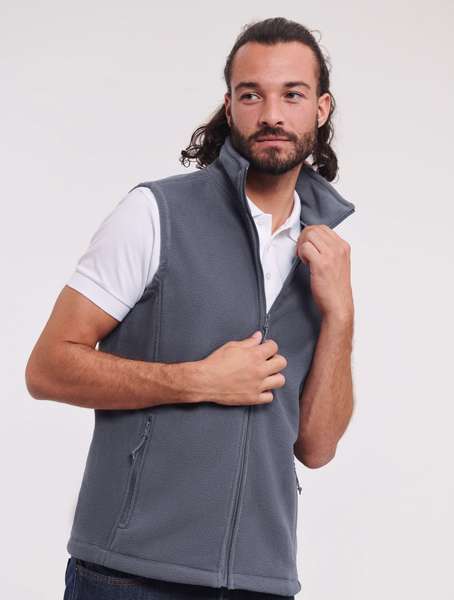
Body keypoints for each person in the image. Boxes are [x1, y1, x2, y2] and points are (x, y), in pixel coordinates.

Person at [25, 16, 356, 600]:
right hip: (129, 575)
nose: (272, 114)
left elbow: (317, 447)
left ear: (321, 108)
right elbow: (48, 367)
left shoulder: (324, 256)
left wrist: (341, 315)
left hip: (261, 580)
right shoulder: (156, 214)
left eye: (292, 95)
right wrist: (198, 380)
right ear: (229, 106)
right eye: (251, 95)